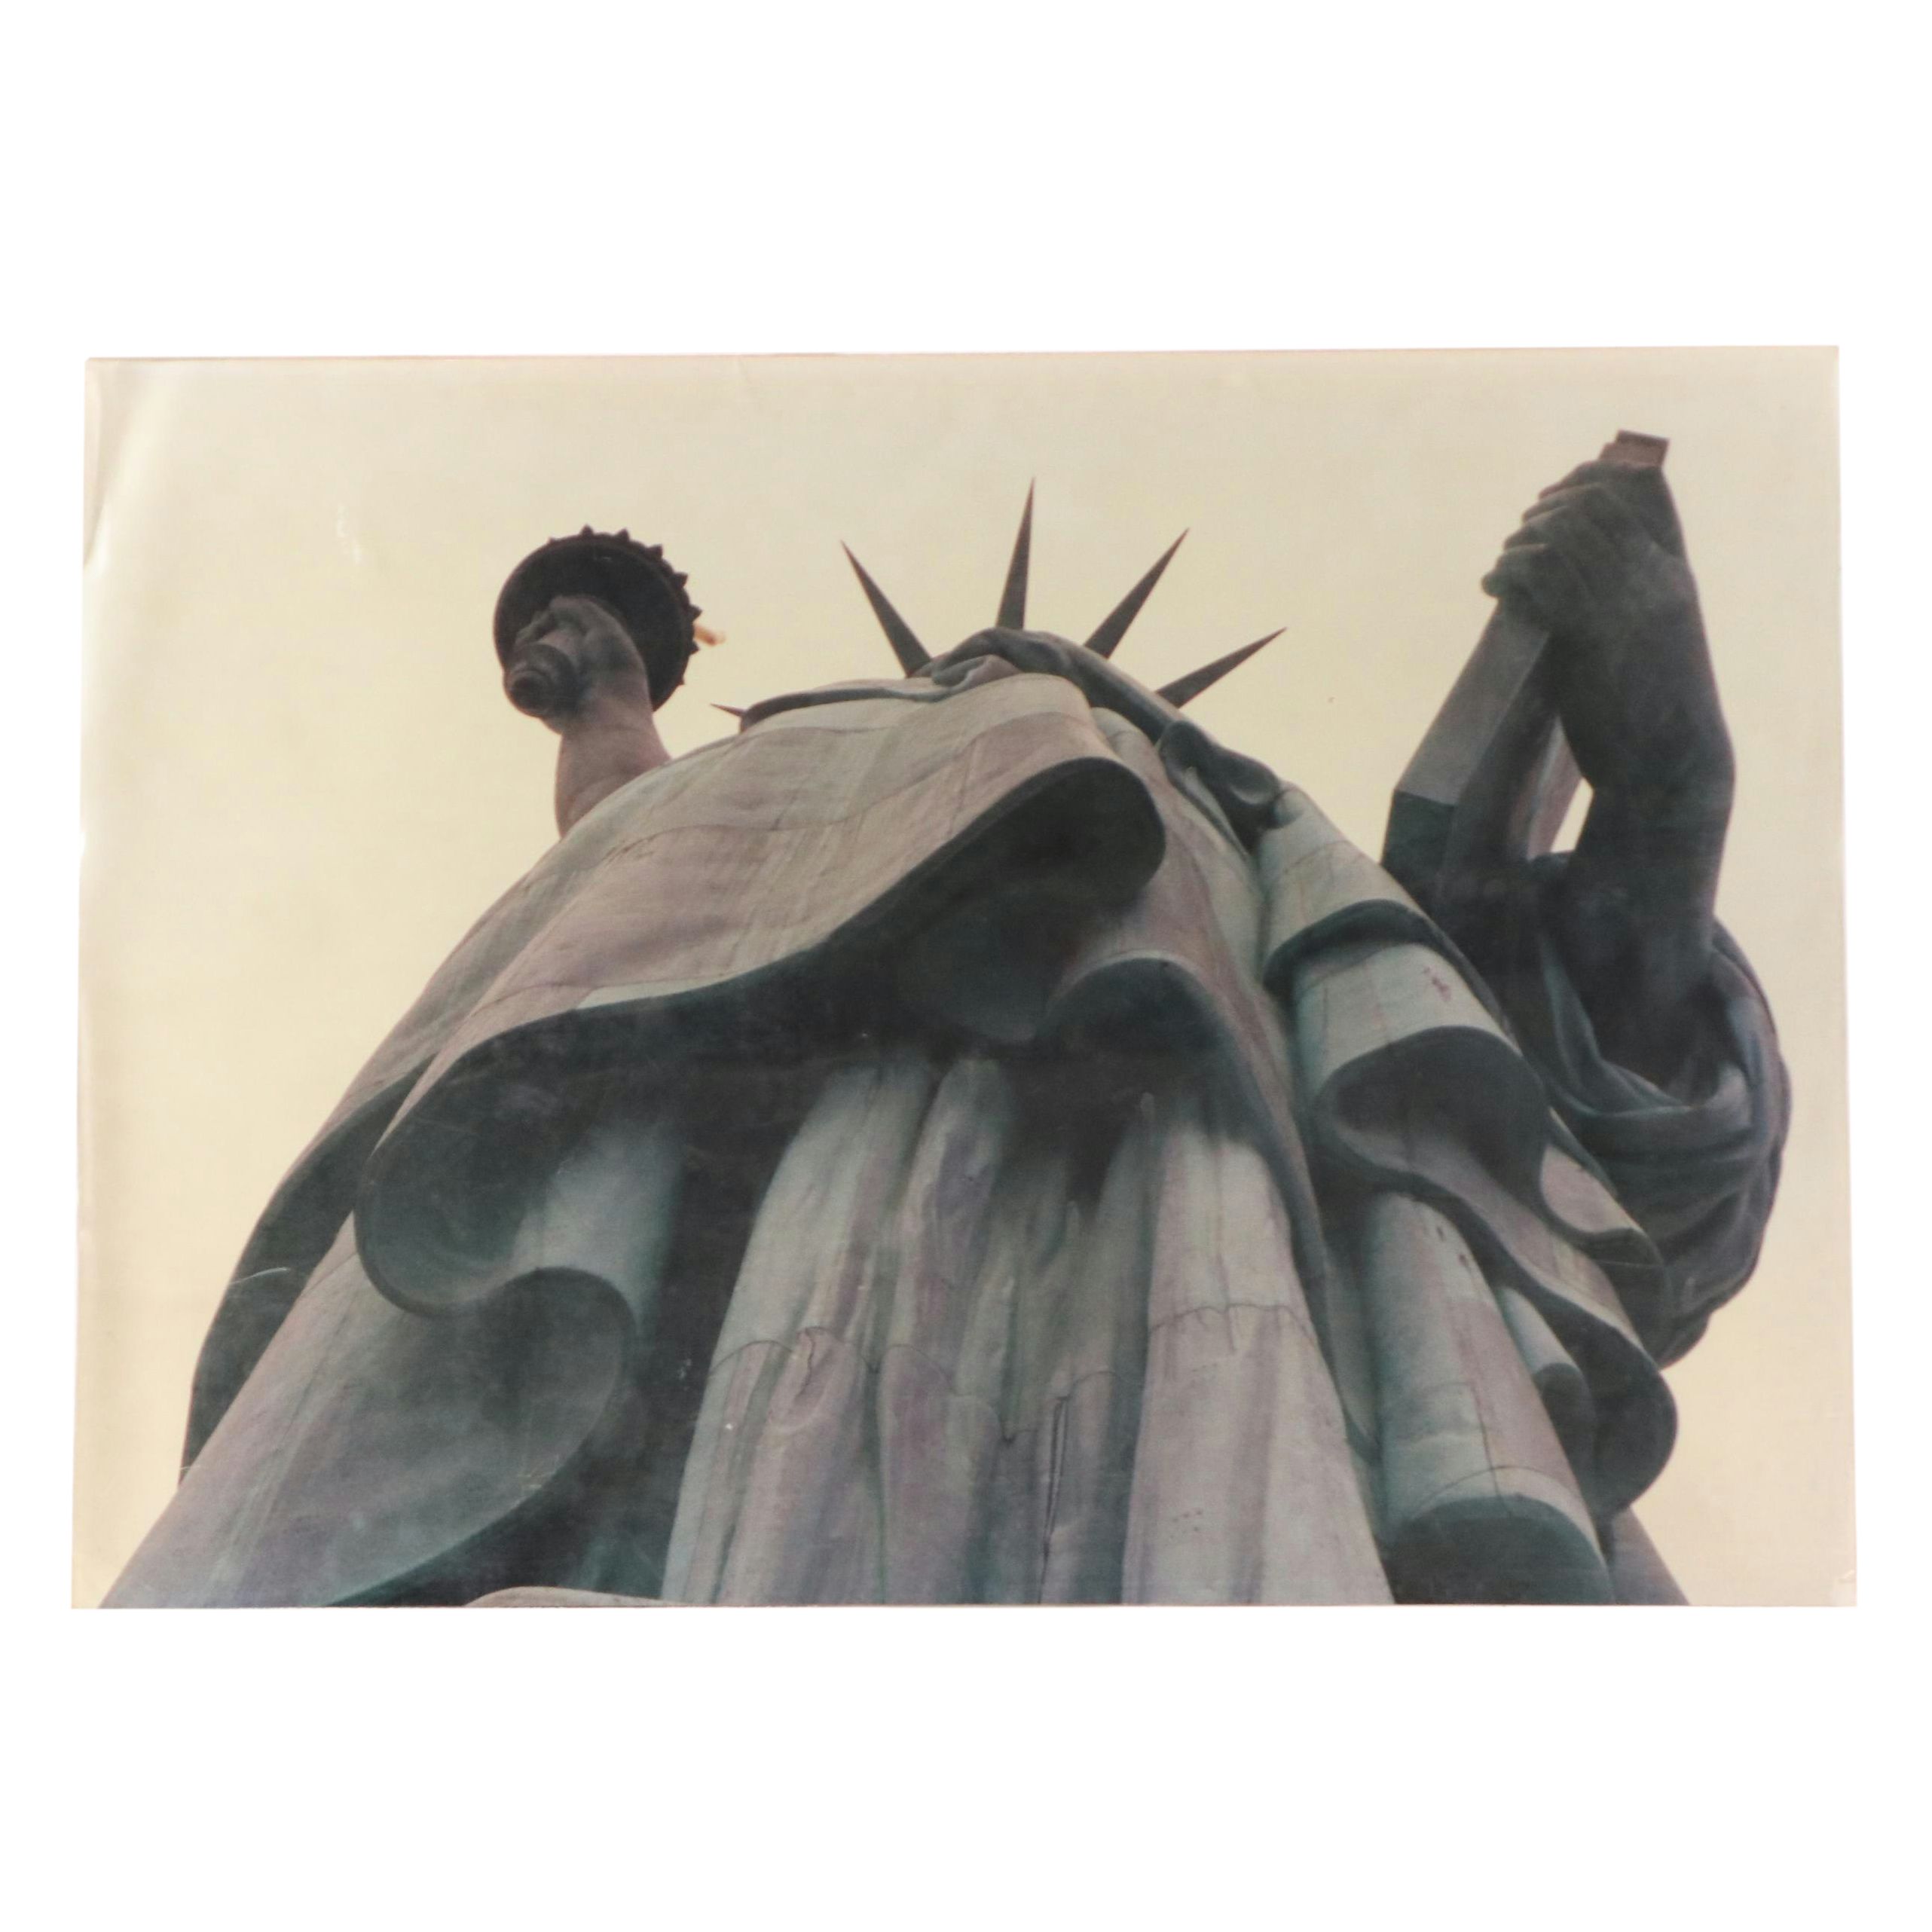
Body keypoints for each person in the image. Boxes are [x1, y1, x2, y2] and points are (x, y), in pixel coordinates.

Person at [105, 457, 1788, 1608]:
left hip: (1177, 1150)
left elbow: (1526, 1091)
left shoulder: (1228, 836)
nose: (993, 705)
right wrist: (611, 706)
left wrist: (1669, 769)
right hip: (821, 1200)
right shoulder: (792, 791)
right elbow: (629, 918)